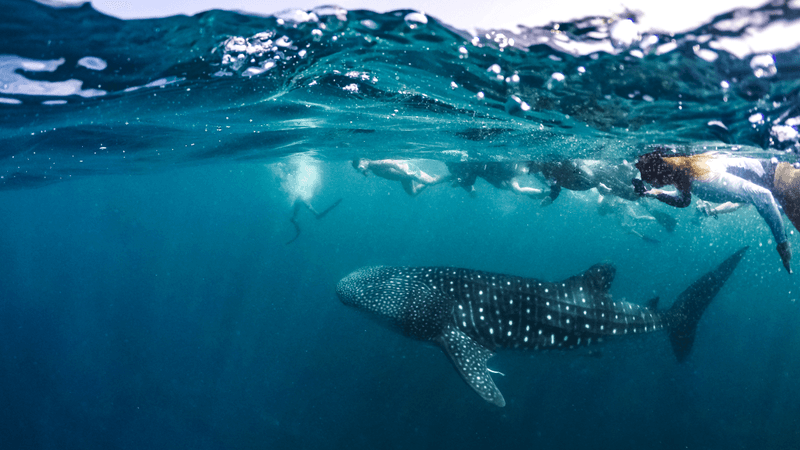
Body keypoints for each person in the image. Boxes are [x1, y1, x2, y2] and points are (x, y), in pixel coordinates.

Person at [634, 149, 793, 273]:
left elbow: (763, 196)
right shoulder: (682, 171)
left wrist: (782, 245)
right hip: (778, 184)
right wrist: (653, 194)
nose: (651, 183)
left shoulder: (702, 181)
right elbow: (683, 199)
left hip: (783, 180)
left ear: (660, 173)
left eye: (649, 180)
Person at [529, 158, 641, 206]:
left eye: (531, 167)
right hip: (589, 182)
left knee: (633, 194)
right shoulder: (546, 173)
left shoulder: (555, 161)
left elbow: (580, 167)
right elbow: (555, 188)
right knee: (633, 194)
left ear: (536, 161)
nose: (531, 172)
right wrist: (550, 198)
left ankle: (637, 165)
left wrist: (597, 184)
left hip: (596, 176)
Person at [446, 161, 547, 199]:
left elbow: (468, 178)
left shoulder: (476, 165)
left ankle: (541, 192)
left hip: (506, 175)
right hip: (498, 177)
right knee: (514, 189)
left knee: (516, 190)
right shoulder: (475, 166)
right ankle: (536, 193)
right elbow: (469, 177)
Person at [352, 158, 445, 196]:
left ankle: (449, 177)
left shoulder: (374, 164)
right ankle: (428, 180)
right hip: (404, 178)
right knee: (413, 193)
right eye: (359, 170)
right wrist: (363, 170)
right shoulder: (371, 167)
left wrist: (407, 172)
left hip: (408, 171)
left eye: (360, 167)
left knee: (431, 182)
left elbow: (392, 163)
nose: (361, 170)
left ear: (364, 160)